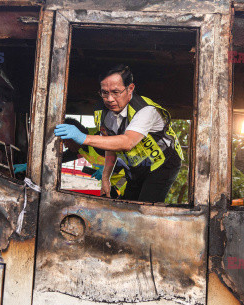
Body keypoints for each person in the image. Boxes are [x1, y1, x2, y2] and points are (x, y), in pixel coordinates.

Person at [54, 65, 183, 202]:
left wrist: (83, 138)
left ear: (130, 88)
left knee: (145, 209)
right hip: (137, 167)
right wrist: (105, 178)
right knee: (127, 205)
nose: (109, 99)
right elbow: (111, 145)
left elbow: (127, 142)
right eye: (104, 93)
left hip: (163, 163)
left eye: (116, 92)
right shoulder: (102, 112)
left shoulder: (146, 111)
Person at [61, 118, 126, 197]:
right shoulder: (80, 147)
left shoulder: (99, 139)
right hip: (111, 183)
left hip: (126, 178)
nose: (65, 146)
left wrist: (106, 169)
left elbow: (124, 157)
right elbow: (62, 158)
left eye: (65, 141)